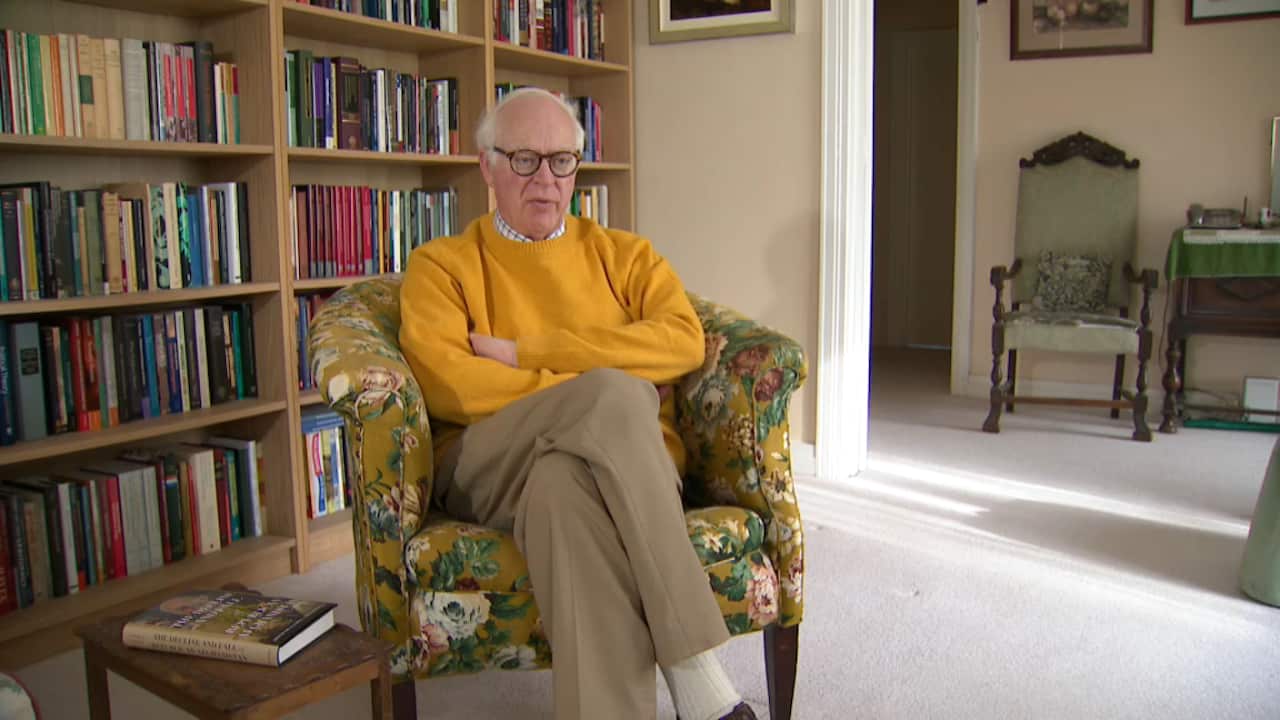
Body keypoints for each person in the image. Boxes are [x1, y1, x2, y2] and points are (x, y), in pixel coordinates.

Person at [399, 87, 757, 720]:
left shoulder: (626, 256)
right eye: (524, 159)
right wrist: (598, 386)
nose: (545, 179)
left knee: (564, 488)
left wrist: (529, 351)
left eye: (561, 161)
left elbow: (681, 340)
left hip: (621, 469)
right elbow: (450, 383)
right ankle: (694, 668)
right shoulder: (443, 266)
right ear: (487, 166)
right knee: (616, 393)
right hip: (488, 463)